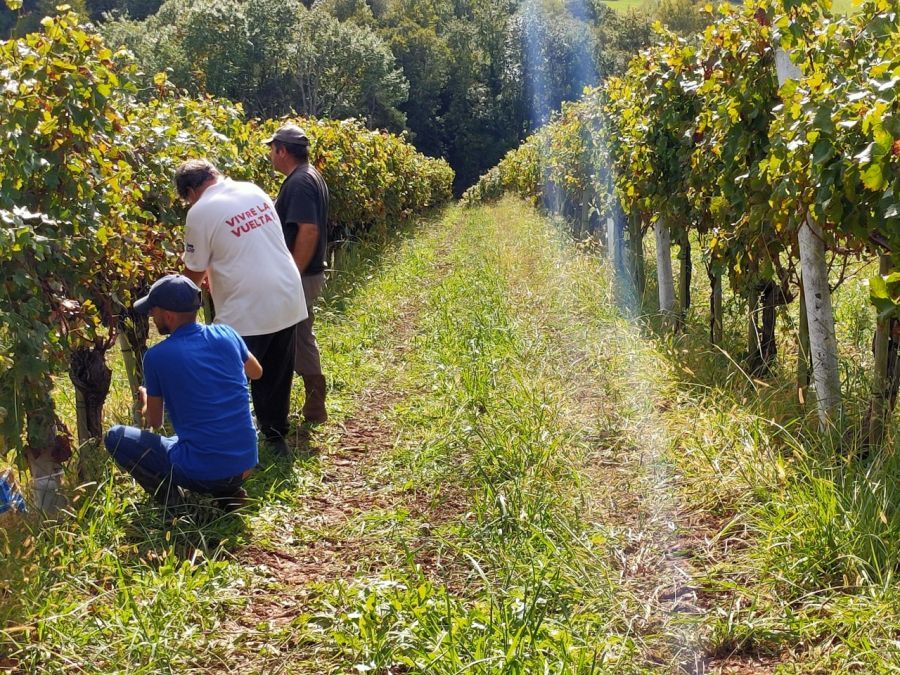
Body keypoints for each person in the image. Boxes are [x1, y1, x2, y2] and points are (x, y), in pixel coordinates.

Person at [175, 159, 306, 452]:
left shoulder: (199, 211)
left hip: (247, 305)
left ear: (190, 192)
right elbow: (244, 246)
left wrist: (173, 306)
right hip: (287, 292)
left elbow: (193, 273)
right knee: (275, 371)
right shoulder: (252, 190)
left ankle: (229, 447)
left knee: (227, 375)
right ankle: (275, 438)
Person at [104, 274, 262, 510]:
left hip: (204, 472)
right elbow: (256, 372)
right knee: (190, 439)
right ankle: (228, 493)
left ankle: (174, 505)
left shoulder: (157, 357)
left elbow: (154, 421)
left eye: (153, 311)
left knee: (116, 437)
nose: (151, 317)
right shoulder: (227, 334)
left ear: (168, 315)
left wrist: (146, 398)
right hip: (245, 462)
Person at [265, 124, 330, 424]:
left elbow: (308, 230)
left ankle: (285, 408)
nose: (269, 154)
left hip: (301, 277)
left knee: (285, 341)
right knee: (301, 335)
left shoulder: (300, 182)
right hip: (308, 274)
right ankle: (314, 404)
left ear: (282, 150)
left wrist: (291, 272)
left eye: (271, 148)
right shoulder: (308, 176)